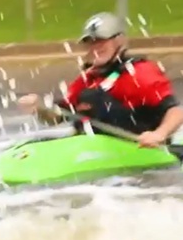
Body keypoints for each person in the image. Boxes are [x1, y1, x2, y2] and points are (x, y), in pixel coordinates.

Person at [17, 12, 183, 149]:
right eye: (90, 42)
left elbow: (175, 111)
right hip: (95, 147)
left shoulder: (140, 72)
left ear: (119, 41)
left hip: (138, 147)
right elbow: (59, 116)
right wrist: (39, 108)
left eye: (101, 41)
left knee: (95, 99)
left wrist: (159, 134)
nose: (95, 47)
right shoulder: (88, 79)